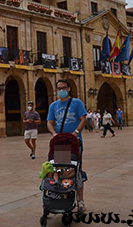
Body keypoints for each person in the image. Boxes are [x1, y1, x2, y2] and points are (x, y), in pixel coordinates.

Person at [47, 79, 87, 212]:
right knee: (60, 170)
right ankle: (63, 197)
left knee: (76, 171)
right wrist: (54, 134)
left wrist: (76, 133)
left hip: (75, 142)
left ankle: (80, 200)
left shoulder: (76, 102)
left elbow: (83, 119)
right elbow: (49, 122)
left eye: (63, 88)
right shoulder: (53, 105)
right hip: (61, 143)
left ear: (69, 89)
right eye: (58, 88)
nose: (61, 91)